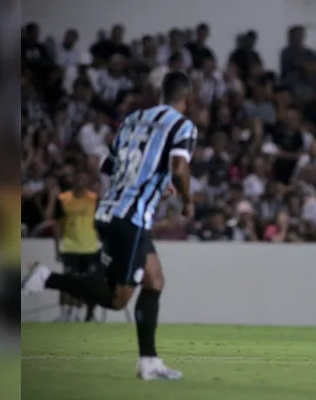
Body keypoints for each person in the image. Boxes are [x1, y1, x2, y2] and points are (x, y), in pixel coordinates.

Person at [21, 71, 197, 381]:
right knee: (117, 299)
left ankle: (149, 362)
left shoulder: (132, 119)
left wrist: (158, 182)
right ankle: (47, 278)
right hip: (130, 218)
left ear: (160, 93)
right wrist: (187, 198)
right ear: (187, 98)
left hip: (109, 211)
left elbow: (108, 164)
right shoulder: (183, 125)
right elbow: (180, 167)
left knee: (154, 280)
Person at [51, 169, 100, 322]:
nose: (81, 181)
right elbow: (57, 225)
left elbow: (99, 223)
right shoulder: (64, 199)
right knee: (67, 281)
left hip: (89, 248)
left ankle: (78, 314)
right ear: (73, 180)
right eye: (79, 178)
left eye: (84, 178)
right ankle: (65, 314)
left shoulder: (94, 199)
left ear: (88, 181)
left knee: (84, 283)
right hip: (70, 247)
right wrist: (57, 247)